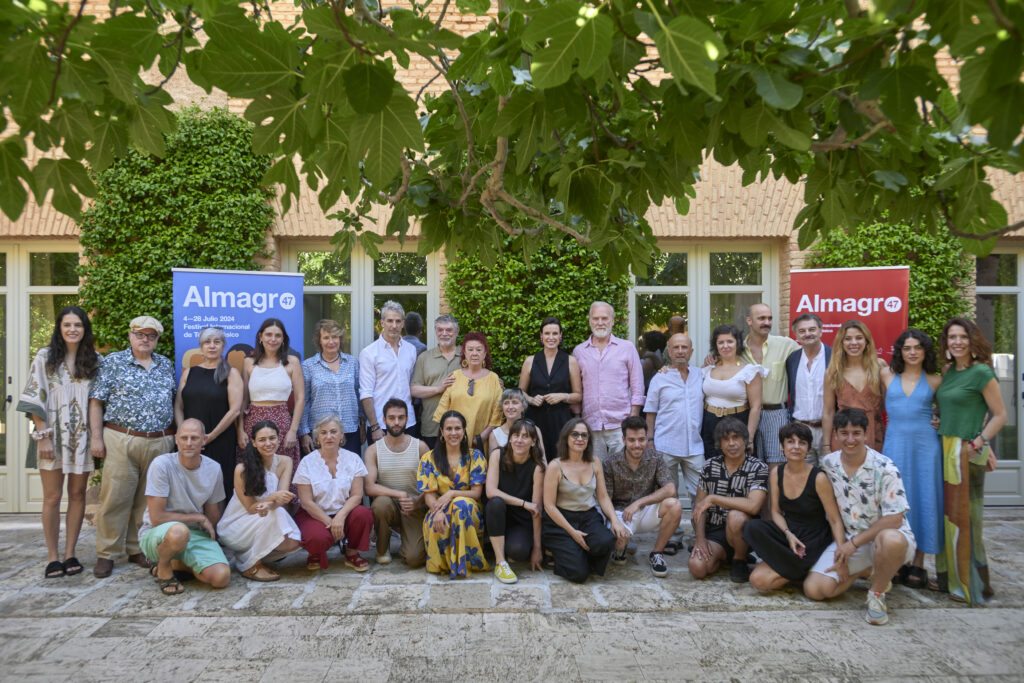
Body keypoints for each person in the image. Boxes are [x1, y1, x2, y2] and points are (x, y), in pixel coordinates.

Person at [804, 409, 916, 626]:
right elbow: (832, 514)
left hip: (888, 540)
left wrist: (851, 545)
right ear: (835, 435)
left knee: (890, 540)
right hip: (851, 540)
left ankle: (876, 595)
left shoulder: (885, 467)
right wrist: (843, 550)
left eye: (856, 433)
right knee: (815, 589)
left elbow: (895, 519)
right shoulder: (828, 465)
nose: (850, 439)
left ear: (866, 433)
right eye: (844, 433)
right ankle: (869, 571)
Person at [89, 315, 177, 578]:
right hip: (121, 438)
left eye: (151, 336)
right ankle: (107, 553)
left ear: (157, 339)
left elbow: (173, 402)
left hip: (159, 440)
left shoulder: (165, 364)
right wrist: (96, 438)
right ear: (130, 336)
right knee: (115, 498)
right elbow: (96, 401)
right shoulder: (114, 362)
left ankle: (137, 547)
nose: (145, 339)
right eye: (140, 334)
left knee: (147, 500)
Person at [18, 306, 101, 578]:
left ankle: (70, 553)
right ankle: (53, 556)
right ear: (59, 328)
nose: (72, 330)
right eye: (67, 325)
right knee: (52, 497)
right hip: (51, 438)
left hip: (82, 437)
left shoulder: (94, 360)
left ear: (84, 329)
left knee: (77, 495)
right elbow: (33, 397)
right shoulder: (45, 358)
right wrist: (42, 435)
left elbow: (98, 401)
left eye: (78, 325)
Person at [935, 318, 1007, 604]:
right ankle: (951, 581)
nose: (957, 342)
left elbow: (1000, 415)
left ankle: (976, 585)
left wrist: (979, 443)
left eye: (962, 336)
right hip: (945, 448)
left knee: (970, 521)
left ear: (972, 339)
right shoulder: (947, 371)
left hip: (968, 452)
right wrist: (938, 421)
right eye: (952, 337)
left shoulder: (982, 373)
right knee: (950, 519)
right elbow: (952, 408)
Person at [743, 422, 846, 591]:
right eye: (790, 442)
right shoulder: (777, 472)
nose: (796, 447)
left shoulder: (818, 478)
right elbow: (775, 512)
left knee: (759, 580)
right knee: (752, 527)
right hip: (789, 533)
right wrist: (788, 534)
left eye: (802, 443)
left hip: (814, 538)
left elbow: (834, 520)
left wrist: (841, 555)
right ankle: (802, 568)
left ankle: (805, 564)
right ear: (782, 447)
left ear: (808, 448)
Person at [138, 419, 231, 595]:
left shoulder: (214, 468)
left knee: (221, 577)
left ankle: (176, 563)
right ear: (176, 440)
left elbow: (212, 513)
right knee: (178, 532)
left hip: (195, 533)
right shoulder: (162, 464)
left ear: (204, 441)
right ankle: (164, 569)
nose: (188, 443)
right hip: (159, 532)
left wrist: (214, 540)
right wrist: (198, 517)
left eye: (194, 438)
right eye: (184, 438)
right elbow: (156, 517)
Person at [882, 329, 942, 589]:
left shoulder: (936, 380)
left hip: (926, 447)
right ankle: (898, 560)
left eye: (918, 347)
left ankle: (918, 562)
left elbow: (951, 410)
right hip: (894, 444)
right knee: (895, 501)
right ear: (900, 351)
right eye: (907, 347)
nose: (913, 352)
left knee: (924, 499)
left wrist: (940, 420)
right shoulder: (886, 375)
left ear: (925, 350)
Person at [217, 421, 302, 581]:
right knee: (274, 514)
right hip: (237, 524)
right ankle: (249, 564)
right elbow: (250, 508)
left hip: (267, 514)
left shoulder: (285, 462)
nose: (268, 443)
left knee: (292, 542)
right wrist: (271, 499)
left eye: (272, 438)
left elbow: (280, 498)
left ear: (279, 439)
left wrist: (272, 502)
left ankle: (250, 555)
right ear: (254, 443)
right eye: (262, 440)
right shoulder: (242, 469)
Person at [542, 418, 625, 583]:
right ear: (566, 438)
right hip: (561, 520)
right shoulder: (555, 466)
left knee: (606, 541)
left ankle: (576, 553)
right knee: (579, 574)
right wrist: (573, 533)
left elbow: (602, 497)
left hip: (588, 517)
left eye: (584, 435)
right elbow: (549, 506)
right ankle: (556, 552)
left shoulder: (595, 462)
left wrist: (615, 520)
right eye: (575, 435)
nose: (580, 439)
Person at [688, 417, 768, 583]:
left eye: (736, 438)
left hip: (745, 530)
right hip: (715, 532)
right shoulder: (710, 466)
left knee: (735, 516)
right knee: (698, 568)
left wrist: (714, 498)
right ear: (720, 444)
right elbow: (699, 507)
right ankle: (724, 556)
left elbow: (753, 507)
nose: (732, 444)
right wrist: (700, 540)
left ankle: (740, 559)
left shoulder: (758, 467)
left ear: (745, 440)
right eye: (726, 439)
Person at [604, 417, 683, 578]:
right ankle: (621, 548)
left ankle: (657, 554)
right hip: (621, 513)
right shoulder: (610, 463)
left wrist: (639, 503)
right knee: (619, 541)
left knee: (674, 505)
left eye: (641, 439)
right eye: (632, 440)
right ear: (623, 440)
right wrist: (614, 522)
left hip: (647, 511)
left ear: (647, 438)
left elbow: (670, 489)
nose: (637, 445)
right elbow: (605, 498)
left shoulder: (656, 459)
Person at [293, 414, 373, 571]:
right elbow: (306, 502)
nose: (329, 436)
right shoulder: (307, 463)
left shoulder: (353, 458)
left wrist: (340, 517)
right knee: (316, 537)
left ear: (341, 435)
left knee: (363, 514)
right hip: (314, 514)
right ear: (317, 437)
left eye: (333, 431)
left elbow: (357, 495)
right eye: (323, 432)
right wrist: (330, 523)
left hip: (344, 511)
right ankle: (316, 552)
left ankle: (351, 553)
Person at [417, 410, 490, 578]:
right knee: (444, 516)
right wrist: (437, 512)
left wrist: (451, 494)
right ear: (441, 432)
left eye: (458, 428)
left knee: (460, 505)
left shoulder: (475, 456)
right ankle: (445, 564)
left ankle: (466, 564)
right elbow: (428, 495)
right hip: (437, 509)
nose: (453, 433)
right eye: (448, 429)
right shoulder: (428, 458)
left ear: (464, 431)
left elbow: (477, 493)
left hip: (469, 509)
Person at [175, 326, 242, 500]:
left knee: (218, 488)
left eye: (216, 342)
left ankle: (218, 526)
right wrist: (185, 434)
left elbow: (235, 410)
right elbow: (178, 406)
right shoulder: (189, 372)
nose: (212, 346)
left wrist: (209, 436)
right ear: (201, 346)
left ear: (223, 346)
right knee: (188, 486)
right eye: (207, 342)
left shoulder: (231, 373)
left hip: (219, 440)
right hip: (190, 442)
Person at [573, 302, 645, 460]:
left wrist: (633, 417)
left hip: (621, 423)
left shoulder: (627, 347)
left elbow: (637, 385)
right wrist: (578, 418)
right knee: (595, 472)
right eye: (596, 318)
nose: (600, 322)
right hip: (590, 423)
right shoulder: (579, 351)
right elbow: (577, 388)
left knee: (623, 471)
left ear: (612, 320)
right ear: (590, 320)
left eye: (604, 318)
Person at [364, 398, 430, 567]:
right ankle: (382, 548)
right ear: (384, 420)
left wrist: (418, 501)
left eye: (401, 418)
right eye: (392, 418)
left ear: (407, 420)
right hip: (390, 505)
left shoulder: (420, 447)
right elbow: (369, 487)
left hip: (414, 506)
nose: (396, 422)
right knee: (380, 504)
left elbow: (433, 484)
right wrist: (399, 494)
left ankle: (408, 542)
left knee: (414, 559)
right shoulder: (373, 450)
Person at [240, 318, 304, 484]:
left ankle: (282, 508)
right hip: (253, 422)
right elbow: (242, 400)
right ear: (260, 337)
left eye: (277, 335)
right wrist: (240, 430)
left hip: (282, 423)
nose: (273, 339)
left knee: (281, 472)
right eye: (268, 334)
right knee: (255, 470)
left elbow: (300, 398)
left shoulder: (292, 362)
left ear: (283, 339)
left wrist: (292, 430)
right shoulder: (248, 362)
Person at [645, 332, 704, 505]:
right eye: (675, 347)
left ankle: (699, 533)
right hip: (665, 445)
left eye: (684, 347)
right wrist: (650, 440)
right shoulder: (660, 378)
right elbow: (650, 411)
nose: (680, 351)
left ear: (691, 351)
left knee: (701, 495)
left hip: (695, 446)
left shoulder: (701, 375)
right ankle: (674, 533)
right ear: (668, 352)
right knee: (668, 497)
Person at [486, 418, 545, 584]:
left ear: (533, 442)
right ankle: (500, 562)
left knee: (518, 551)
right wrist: (524, 503)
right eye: (516, 435)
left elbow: (536, 510)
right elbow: (490, 491)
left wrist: (537, 548)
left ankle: (502, 546)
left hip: (521, 520)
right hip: (497, 514)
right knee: (496, 502)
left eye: (525, 437)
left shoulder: (537, 467)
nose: (519, 440)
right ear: (510, 438)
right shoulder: (497, 455)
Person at [821, 320, 890, 453]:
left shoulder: (879, 367)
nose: (854, 343)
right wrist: (826, 446)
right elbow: (828, 412)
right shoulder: (833, 372)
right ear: (841, 342)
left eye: (859, 338)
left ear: (867, 341)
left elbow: (889, 405)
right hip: (844, 436)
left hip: (874, 435)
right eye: (848, 339)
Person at [741, 304, 798, 463]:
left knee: (777, 464)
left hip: (777, 414)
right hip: (747, 414)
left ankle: (775, 490)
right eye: (761, 318)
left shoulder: (786, 344)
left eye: (769, 318)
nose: (767, 322)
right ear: (749, 321)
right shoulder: (738, 349)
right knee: (750, 464)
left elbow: (810, 355)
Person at [519, 316, 582, 460]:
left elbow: (578, 395)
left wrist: (563, 396)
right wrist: (530, 399)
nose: (551, 337)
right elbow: (520, 391)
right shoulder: (530, 361)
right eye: (547, 333)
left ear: (560, 336)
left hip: (561, 420)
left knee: (560, 459)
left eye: (555, 333)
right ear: (541, 336)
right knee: (536, 460)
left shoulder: (570, 361)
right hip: (535, 419)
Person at [700, 324, 765, 460]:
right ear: (715, 345)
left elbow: (756, 407)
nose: (725, 346)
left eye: (730, 341)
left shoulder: (750, 371)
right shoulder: (707, 369)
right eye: (721, 342)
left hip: (738, 423)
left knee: (738, 469)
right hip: (709, 423)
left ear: (738, 343)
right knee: (713, 468)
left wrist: (750, 438)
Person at [299, 319, 361, 456]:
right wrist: (304, 433)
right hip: (320, 434)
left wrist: (362, 425)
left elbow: (358, 394)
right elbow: (303, 401)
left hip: (349, 430)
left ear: (340, 338)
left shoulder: (352, 363)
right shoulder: (308, 366)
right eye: (326, 337)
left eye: (335, 337)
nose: (331, 341)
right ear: (319, 341)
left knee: (350, 473)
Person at [360, 301, 418, 443]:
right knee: (381, 465)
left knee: (409, 465)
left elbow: (410, 384)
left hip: (407, 422)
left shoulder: (411, 350)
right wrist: (374, 427)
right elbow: (366, 393)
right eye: (390, 321)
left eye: (398, 321)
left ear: (403, 323)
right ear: (382, 323)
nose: (394, 325)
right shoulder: (369, 353)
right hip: (381, 424)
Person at [433, 332, 504, 448]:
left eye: (479, 350)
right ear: (464, 353)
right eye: (470, 350)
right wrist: (450, 434)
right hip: (454, 439)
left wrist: (483, 436)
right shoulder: (454, 376)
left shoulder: (494, 379)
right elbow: (443, 409)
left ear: (485, 353)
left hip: (481, 440)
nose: (474, 353)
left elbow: (498, 411)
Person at [785, 313, 832, 465]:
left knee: (831, 477)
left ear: (820, 330)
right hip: (801, 430)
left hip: (829, 431)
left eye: (812, 329)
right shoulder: (792, 359)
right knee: (804, 480)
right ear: (796, 335)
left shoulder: (835, 357)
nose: (807, 334)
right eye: (802, 331)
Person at [411, 314, 462, 449]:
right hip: (432, 426)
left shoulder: (467, 355)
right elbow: (414, 389)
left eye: (449, 330)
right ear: (435, 331)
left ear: (457, 331)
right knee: (434, 467)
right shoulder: (424, 358)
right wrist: (439, 388)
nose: (444, 333)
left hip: (462, 426)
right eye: (440, 330)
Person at [487, 388, 547, 459]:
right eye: (506, 403)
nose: (510, 407)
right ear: (502, 407)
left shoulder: (535, 430)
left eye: (515, 402)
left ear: (523, 407)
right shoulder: (494, 435)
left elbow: (542, 460)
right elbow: (493, 465)